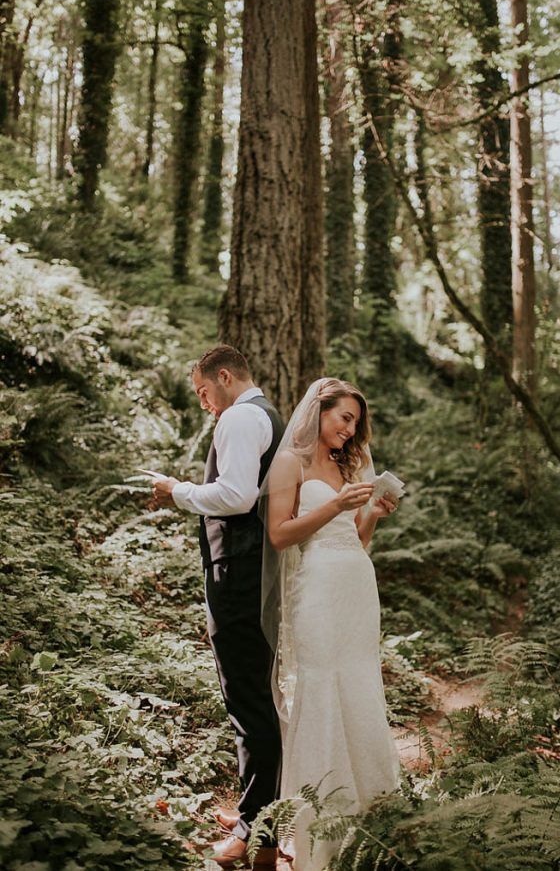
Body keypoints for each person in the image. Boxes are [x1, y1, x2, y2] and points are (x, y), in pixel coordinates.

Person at [150, 344, 285, 869]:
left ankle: (261, 835)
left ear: (224, 378)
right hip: (252, 571)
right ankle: (259, 809)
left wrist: (177, 489)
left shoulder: (239, 419)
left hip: (240, 574)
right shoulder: (264, 413)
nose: (206, 404)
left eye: (205, 392)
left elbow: (235, 496)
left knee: (248, 700)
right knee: (252, 695)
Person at [260, 377, 400, 870]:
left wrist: (373, 514)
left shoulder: (350, 464)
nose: (349, 429)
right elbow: (280, 536)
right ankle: (319, 825)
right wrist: (333, 505)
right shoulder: (289, 463)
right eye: (344, 418)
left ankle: (372, 815)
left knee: (358, 682)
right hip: (315, 587)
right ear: (320, 410)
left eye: (355, 423)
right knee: (322, 685)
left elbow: (355, 539)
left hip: (357, 585)